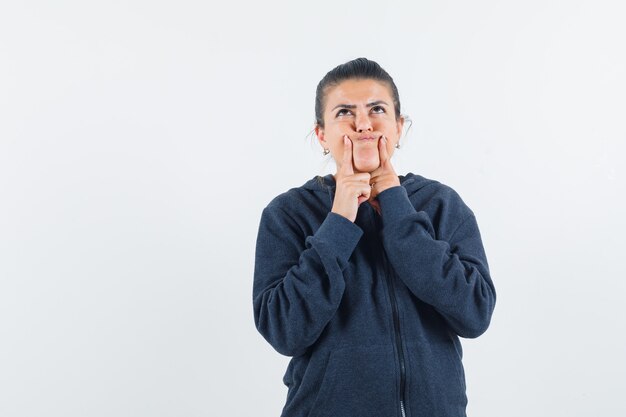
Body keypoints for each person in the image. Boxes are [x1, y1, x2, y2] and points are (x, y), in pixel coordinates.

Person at [252, 57, 496, 417]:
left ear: (399, 127)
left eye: (377, 109)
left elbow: (474, 313)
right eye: (344, 112)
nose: (363, 124)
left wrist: (396, 205)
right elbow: (284, 330)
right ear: (322, 134)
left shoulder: (440, 204)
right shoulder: (288, 213)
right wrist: (338, 221)